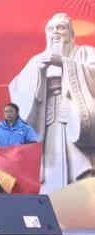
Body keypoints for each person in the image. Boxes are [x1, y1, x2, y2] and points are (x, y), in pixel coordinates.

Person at [9, 13, 95, 192]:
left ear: (70, 33)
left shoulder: (85, 53)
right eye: (51, 29)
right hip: (48, 121)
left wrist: (65, 63)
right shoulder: (37, 60)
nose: (55, 32)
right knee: (51, 168)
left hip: (74, 115)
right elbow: (16, 86)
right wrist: (37, 72)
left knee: (80, 164)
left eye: (61, 28)